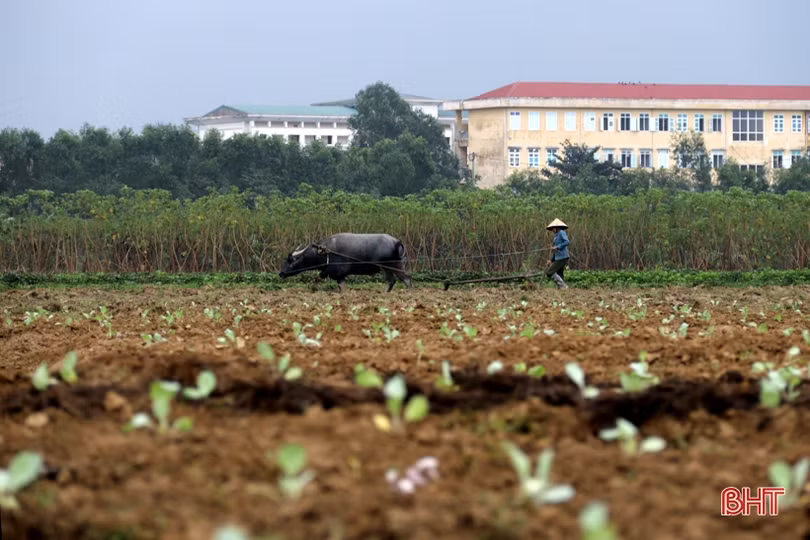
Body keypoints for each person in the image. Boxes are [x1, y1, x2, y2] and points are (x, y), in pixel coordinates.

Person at [545, 218, 569, 289]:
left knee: (549, 272)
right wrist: (551, 260)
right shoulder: (556, 236)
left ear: (556, 228)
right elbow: (555, 251)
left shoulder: (562, 232)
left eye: (553, 228)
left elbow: (567, 242)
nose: (552, 230)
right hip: (558, 257)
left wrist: (557, 247)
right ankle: (562, 289)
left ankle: (563, 286)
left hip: (562, 257)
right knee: (560, 274)